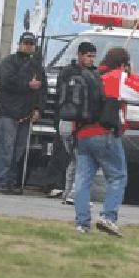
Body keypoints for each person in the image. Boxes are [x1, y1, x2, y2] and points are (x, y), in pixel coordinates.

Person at [72, 47, 139, 236]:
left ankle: (82, 224)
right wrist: (131, 73)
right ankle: (108, 216)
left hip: (82, 134)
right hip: (104, 133)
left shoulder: (91, 76)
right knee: (117, 176)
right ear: (123, 64)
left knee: (82, 180)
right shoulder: (116, 76)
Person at [0, 32, 46, 194]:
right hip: (7, 112)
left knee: (19, 150)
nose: (28, 46)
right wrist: (28, 84)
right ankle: (0, 180)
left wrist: (38, 109)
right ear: (20, 43)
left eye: (31, 43)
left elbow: (43, 91)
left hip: (26, 114)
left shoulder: (37, 66)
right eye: (26, 43)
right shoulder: (8, 62)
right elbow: (5, 82)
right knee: (6, 149)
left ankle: (11, 181)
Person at [53, 42, 97, 205]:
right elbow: (65, 97)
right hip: (70, 121)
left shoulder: (92, 73)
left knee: (75, 159)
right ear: (80, 55)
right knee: (82, 159)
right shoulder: (69, 73)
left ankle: (68, 192)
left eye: (93, 56)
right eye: (88, 56)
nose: (91, 60)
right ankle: (76, 194)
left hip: (79, 122)